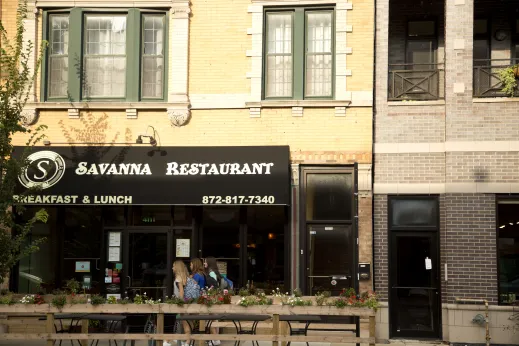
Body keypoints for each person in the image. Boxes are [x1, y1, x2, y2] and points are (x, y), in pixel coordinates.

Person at [164, 260, 194, 346]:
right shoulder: (187, 277)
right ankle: (188, 341)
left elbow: (181, 292)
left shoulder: (178, 278)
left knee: (182, 323)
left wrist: (180, 303)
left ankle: (169, 341)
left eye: (173, 266)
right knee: (187, 322)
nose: (172, 268)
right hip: (189, 302)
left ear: (177, 267)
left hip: (182, 303)